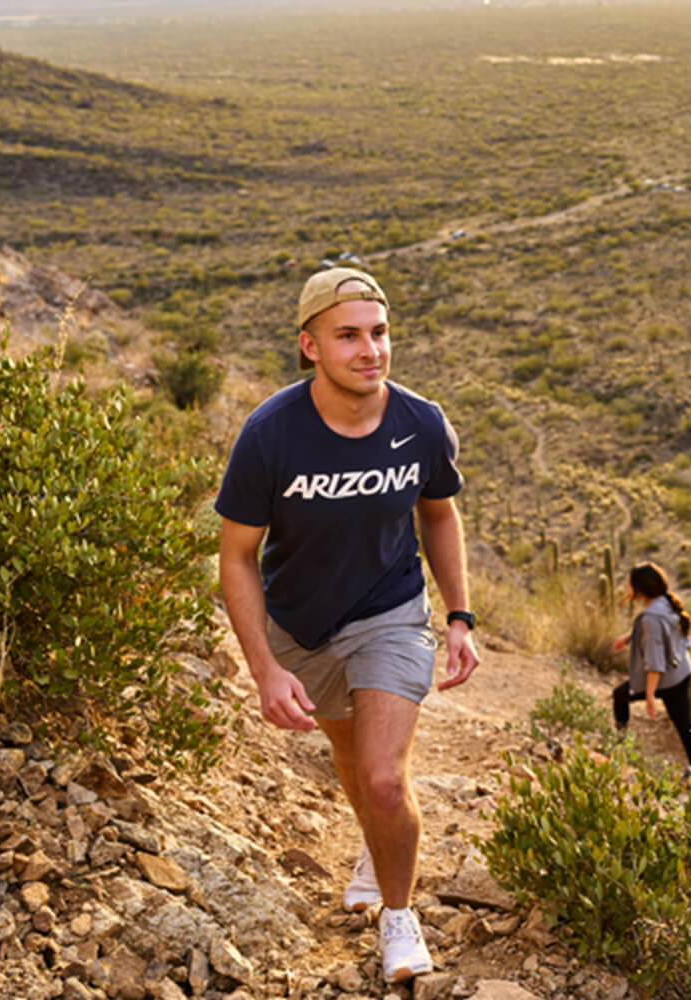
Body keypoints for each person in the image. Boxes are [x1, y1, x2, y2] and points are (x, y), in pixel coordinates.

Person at [215, 267, 480, 983]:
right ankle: (375, 842)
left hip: (391, 611)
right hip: (300, 625)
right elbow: (237, 558)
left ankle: (399, 917)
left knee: (384, 776)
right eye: (349, 336)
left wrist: (458, 614)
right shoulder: (270, 435)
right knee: (348, 755)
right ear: (310, 346)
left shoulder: (420, 423)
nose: (371, 350)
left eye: (380, 332)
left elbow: (437, 512)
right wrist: (264, 669)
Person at [610, 562, 691, 773]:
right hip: (682, 670)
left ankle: (620, 748)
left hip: (666, 677)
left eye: (630, 584)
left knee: (620, 695)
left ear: (640, 588)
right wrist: (630, 637)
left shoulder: (650, 618)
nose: (627, 587)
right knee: (683, 721)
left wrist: (650, 696)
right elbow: (660, 635)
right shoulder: (665, 603)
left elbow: (655, 662)